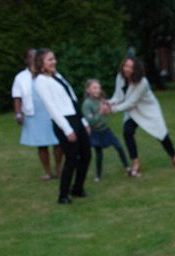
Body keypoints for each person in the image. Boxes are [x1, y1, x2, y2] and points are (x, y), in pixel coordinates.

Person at [102, 56, 175, 177]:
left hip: (148, 109)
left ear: (136, 69)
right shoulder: (120, 77)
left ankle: (174, 157)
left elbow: (130, 103)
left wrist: (111, 110)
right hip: (132, 111)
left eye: (130, 67)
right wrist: (108, 103)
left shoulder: (142, 82)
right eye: (126, 66)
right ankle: (135, 162)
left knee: (161, 133)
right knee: (127, 132)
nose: (127, 69)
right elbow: (118, 96)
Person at [33, 48, 92, 204]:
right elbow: (51, 107)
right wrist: (67, 129)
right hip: (63, 122)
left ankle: (77, 188)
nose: (54, 62)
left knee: (86, 154)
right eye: (50, 60)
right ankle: (63, 195)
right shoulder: (40, 81)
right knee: (71, 158)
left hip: (76, 118)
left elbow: (72, 99)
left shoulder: (57, 76)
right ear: (41, 63)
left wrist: (83, 121)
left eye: (54, 58)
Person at [12, 48, 63, 180]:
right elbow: (17, 97)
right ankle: (47, 171)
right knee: (42, 144)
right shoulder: (20, 77)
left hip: (52, 111)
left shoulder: (50, 73)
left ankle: (59, 169)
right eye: (31, 57)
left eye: (36, 57)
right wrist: (18, 114)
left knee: (58, 141)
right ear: (26, 60)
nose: (34, 59)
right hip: (34, 114)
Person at [81, 79, 130, 181]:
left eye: (99, 88)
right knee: (99, 153)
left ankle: (127, 167)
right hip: (95, 132)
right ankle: (98, 175)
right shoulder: (86, 104)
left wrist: (108, 109)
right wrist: (100, 112)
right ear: (88, 90)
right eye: (94, 88)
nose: (97, 90)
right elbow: (91, 121)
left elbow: (107, 111)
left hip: (106, 130)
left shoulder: (100, 100)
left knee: (119, 146)